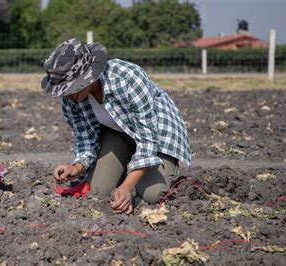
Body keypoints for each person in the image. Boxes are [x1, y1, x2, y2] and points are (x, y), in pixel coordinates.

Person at [41, 38, 191, 215]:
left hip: (159, 135)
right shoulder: (71, 100)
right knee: (98, 191)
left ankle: (158, 171)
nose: (67, 95)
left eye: (71, 88)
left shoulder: (127, 78)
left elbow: (148, 138)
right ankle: (127, 167)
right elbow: (86, 141)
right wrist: (77, 167)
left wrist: (127, 186)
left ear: (88, 77)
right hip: (119, 133)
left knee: (151, 194)